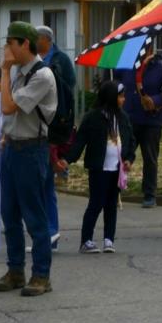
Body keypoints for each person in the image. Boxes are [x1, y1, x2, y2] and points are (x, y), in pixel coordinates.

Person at [0, 22, 57, 297]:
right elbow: (10, 114)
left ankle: (41, 274)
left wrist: (4, 70)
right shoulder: (19, 72)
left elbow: (7, 105)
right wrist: (6, 134)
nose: (7, 49)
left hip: (32, 150)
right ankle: (15, 270)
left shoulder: (43, 75)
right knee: (9, 212)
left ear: (25, 44)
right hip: (13, 147)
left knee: (34, 215)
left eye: (11, 43)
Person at [58, 81, 135, 253]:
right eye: (120, 96)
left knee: (111, 204)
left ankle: (109, 239)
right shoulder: (93, 117)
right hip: (99, 168)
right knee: (96, 203)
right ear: (111, 97)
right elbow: (80, 141)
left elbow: (130, 140)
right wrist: (67, 159)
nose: (123, 99)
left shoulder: (122, 117)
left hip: (116, 169)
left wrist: (129, 158)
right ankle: (86, 240)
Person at [114, 47, 162, 208]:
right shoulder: (125, 64)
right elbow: (115, 82)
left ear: (150, 48)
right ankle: (115, 190)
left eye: (144, 47)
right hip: (128, 118)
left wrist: (155, 101)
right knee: (122, 154)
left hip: (151, 120)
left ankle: (149, 194)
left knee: (150, 158)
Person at [36, 25, 77, 250]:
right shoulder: (32, 59)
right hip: (36, 125)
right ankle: (45, 231)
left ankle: (50, 231)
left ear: (46, 39)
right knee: (41, 183)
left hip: (54, 125)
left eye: (36, 38)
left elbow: (69, 88)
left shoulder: (60, 59)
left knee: (46, 183)